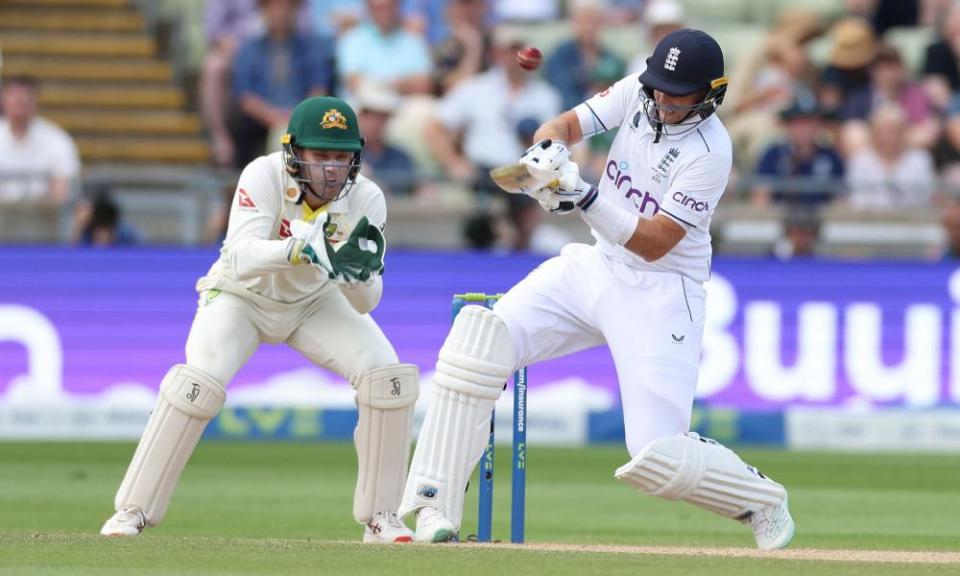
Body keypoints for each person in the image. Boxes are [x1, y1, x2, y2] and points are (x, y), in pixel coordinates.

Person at [399, 29, 796, 549]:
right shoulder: (641, 89)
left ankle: (760, 499)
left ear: (711, 94)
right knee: (479, 342)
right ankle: (433, 507)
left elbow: (655, 243)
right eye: (659, 87)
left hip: (662, 290)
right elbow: (566, 123)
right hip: (595, 266)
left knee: (657, 454)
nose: (663, 101)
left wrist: (582, 196)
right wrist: (546, 154)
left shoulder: (711, 150)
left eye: (679, 94)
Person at [100, 97, 419, 544]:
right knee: (198, 384)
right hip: (240, 296)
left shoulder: (368, 197)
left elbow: (366, 303)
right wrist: (303, 248)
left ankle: (382, 516)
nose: (331, 169)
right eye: (320, 155)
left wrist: (352, 272)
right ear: (294, 153)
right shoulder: (263, 174)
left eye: (341, 156)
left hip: (315, 301)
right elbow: (241, 256)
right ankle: (131, 511)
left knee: (388, 379)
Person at [0, 75, 80, 205]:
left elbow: (65, 186)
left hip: (43, 217)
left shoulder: (56, 140)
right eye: (14, 97)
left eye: (25, 96)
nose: (20, 101)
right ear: (3, 100)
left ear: (36, 100)